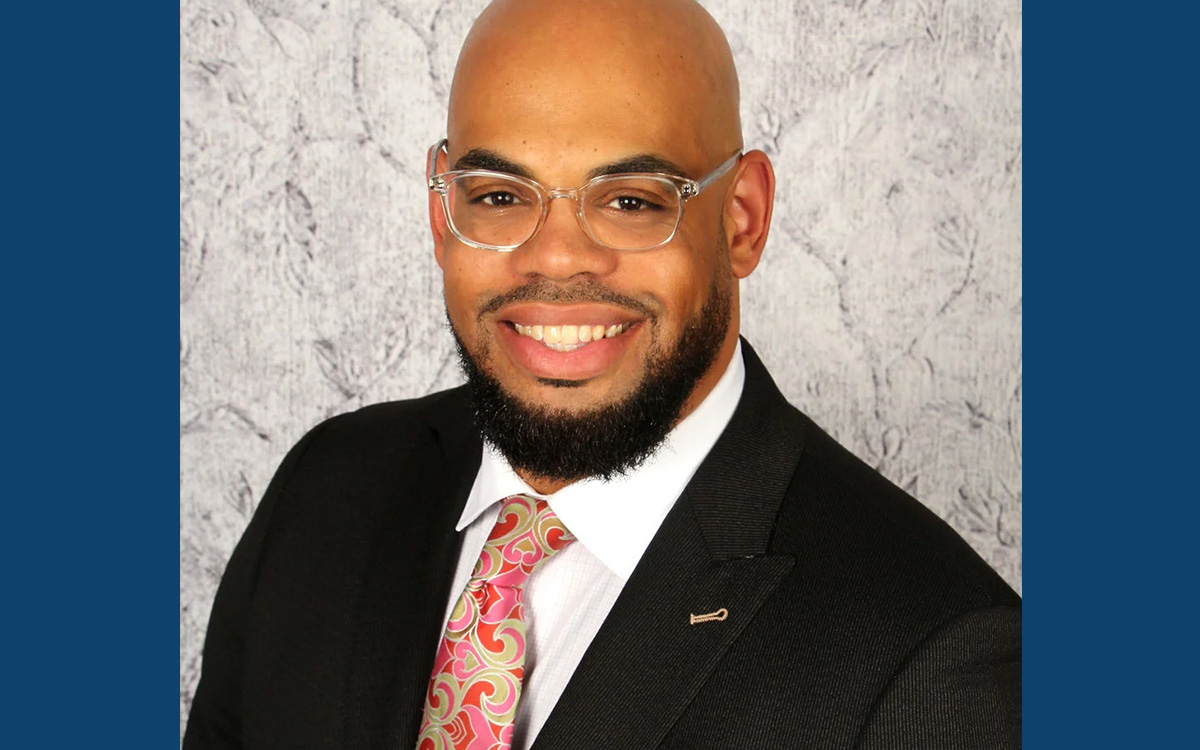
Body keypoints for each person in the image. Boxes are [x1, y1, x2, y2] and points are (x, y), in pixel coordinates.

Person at [183, 0, 1020, 747]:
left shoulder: (937, 666)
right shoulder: (328, 491)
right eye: (500, 195)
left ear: (742, 221)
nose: (555, 260)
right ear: (443, 214)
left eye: (631, 200)